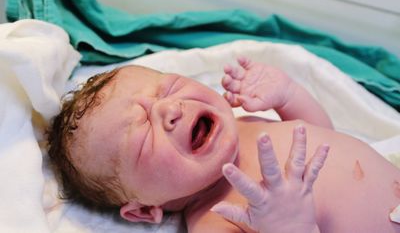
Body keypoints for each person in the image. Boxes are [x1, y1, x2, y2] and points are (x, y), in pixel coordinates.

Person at [47, 56, 400, 233]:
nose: (170, 109)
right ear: (143, 210)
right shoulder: (215, 220)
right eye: (142, 135)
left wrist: (289, 95)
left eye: (168, 88)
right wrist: (290, 227)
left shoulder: (248, 125)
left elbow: (322, 136)